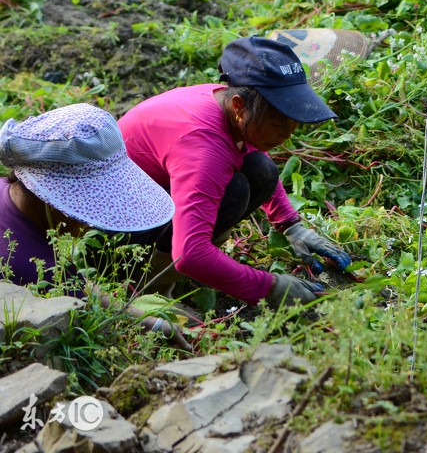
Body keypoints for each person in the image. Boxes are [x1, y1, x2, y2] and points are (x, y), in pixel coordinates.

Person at [119, 37, 351, 307]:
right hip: (113, 236)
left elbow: (251, 151)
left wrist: (291, 225)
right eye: (278, 122)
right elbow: (190, 253)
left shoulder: (226, 100)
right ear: (239, 106)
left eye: (293, 121)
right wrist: (271, 287)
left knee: (261, 170)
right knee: (235, 191)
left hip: (149, 199)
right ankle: (148, 287)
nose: (287, 134)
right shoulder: (202, 147)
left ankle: (167, 267)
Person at [0, 103, 186, 342]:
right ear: (52, 201)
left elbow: (81, 286)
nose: (93, 224)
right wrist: (148, 324)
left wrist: (149, 320)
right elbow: (87, 305)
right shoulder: (38, 272)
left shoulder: (8, 193)